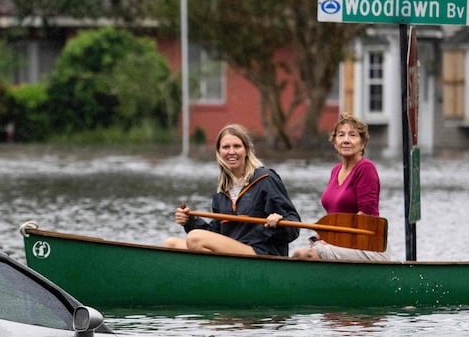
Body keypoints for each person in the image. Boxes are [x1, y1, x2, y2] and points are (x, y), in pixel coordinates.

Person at [163, 123, 301, 256]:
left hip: (262, 253)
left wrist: (279, 222)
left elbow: (294, 225)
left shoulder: (266, 179)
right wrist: (190, 221)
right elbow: (216, 234)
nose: (231, 152)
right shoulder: (222, 191)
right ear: (219, 152)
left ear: (246, 150)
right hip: (233, 253)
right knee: (171, 244)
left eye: (237, 146)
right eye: (226, 147)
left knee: (195, 238)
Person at [292, 112, 390, 261]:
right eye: (341, 135)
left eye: (352, 135)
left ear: (362, 143)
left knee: (308, 255)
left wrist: (328, 241)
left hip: (368, 246)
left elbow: (366, 217)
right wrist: (316, 238)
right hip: (338, 243)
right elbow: (332, 219)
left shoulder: (366, 168)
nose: (346, 140)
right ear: (335, 143)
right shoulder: (335, 170)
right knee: (300, 253)